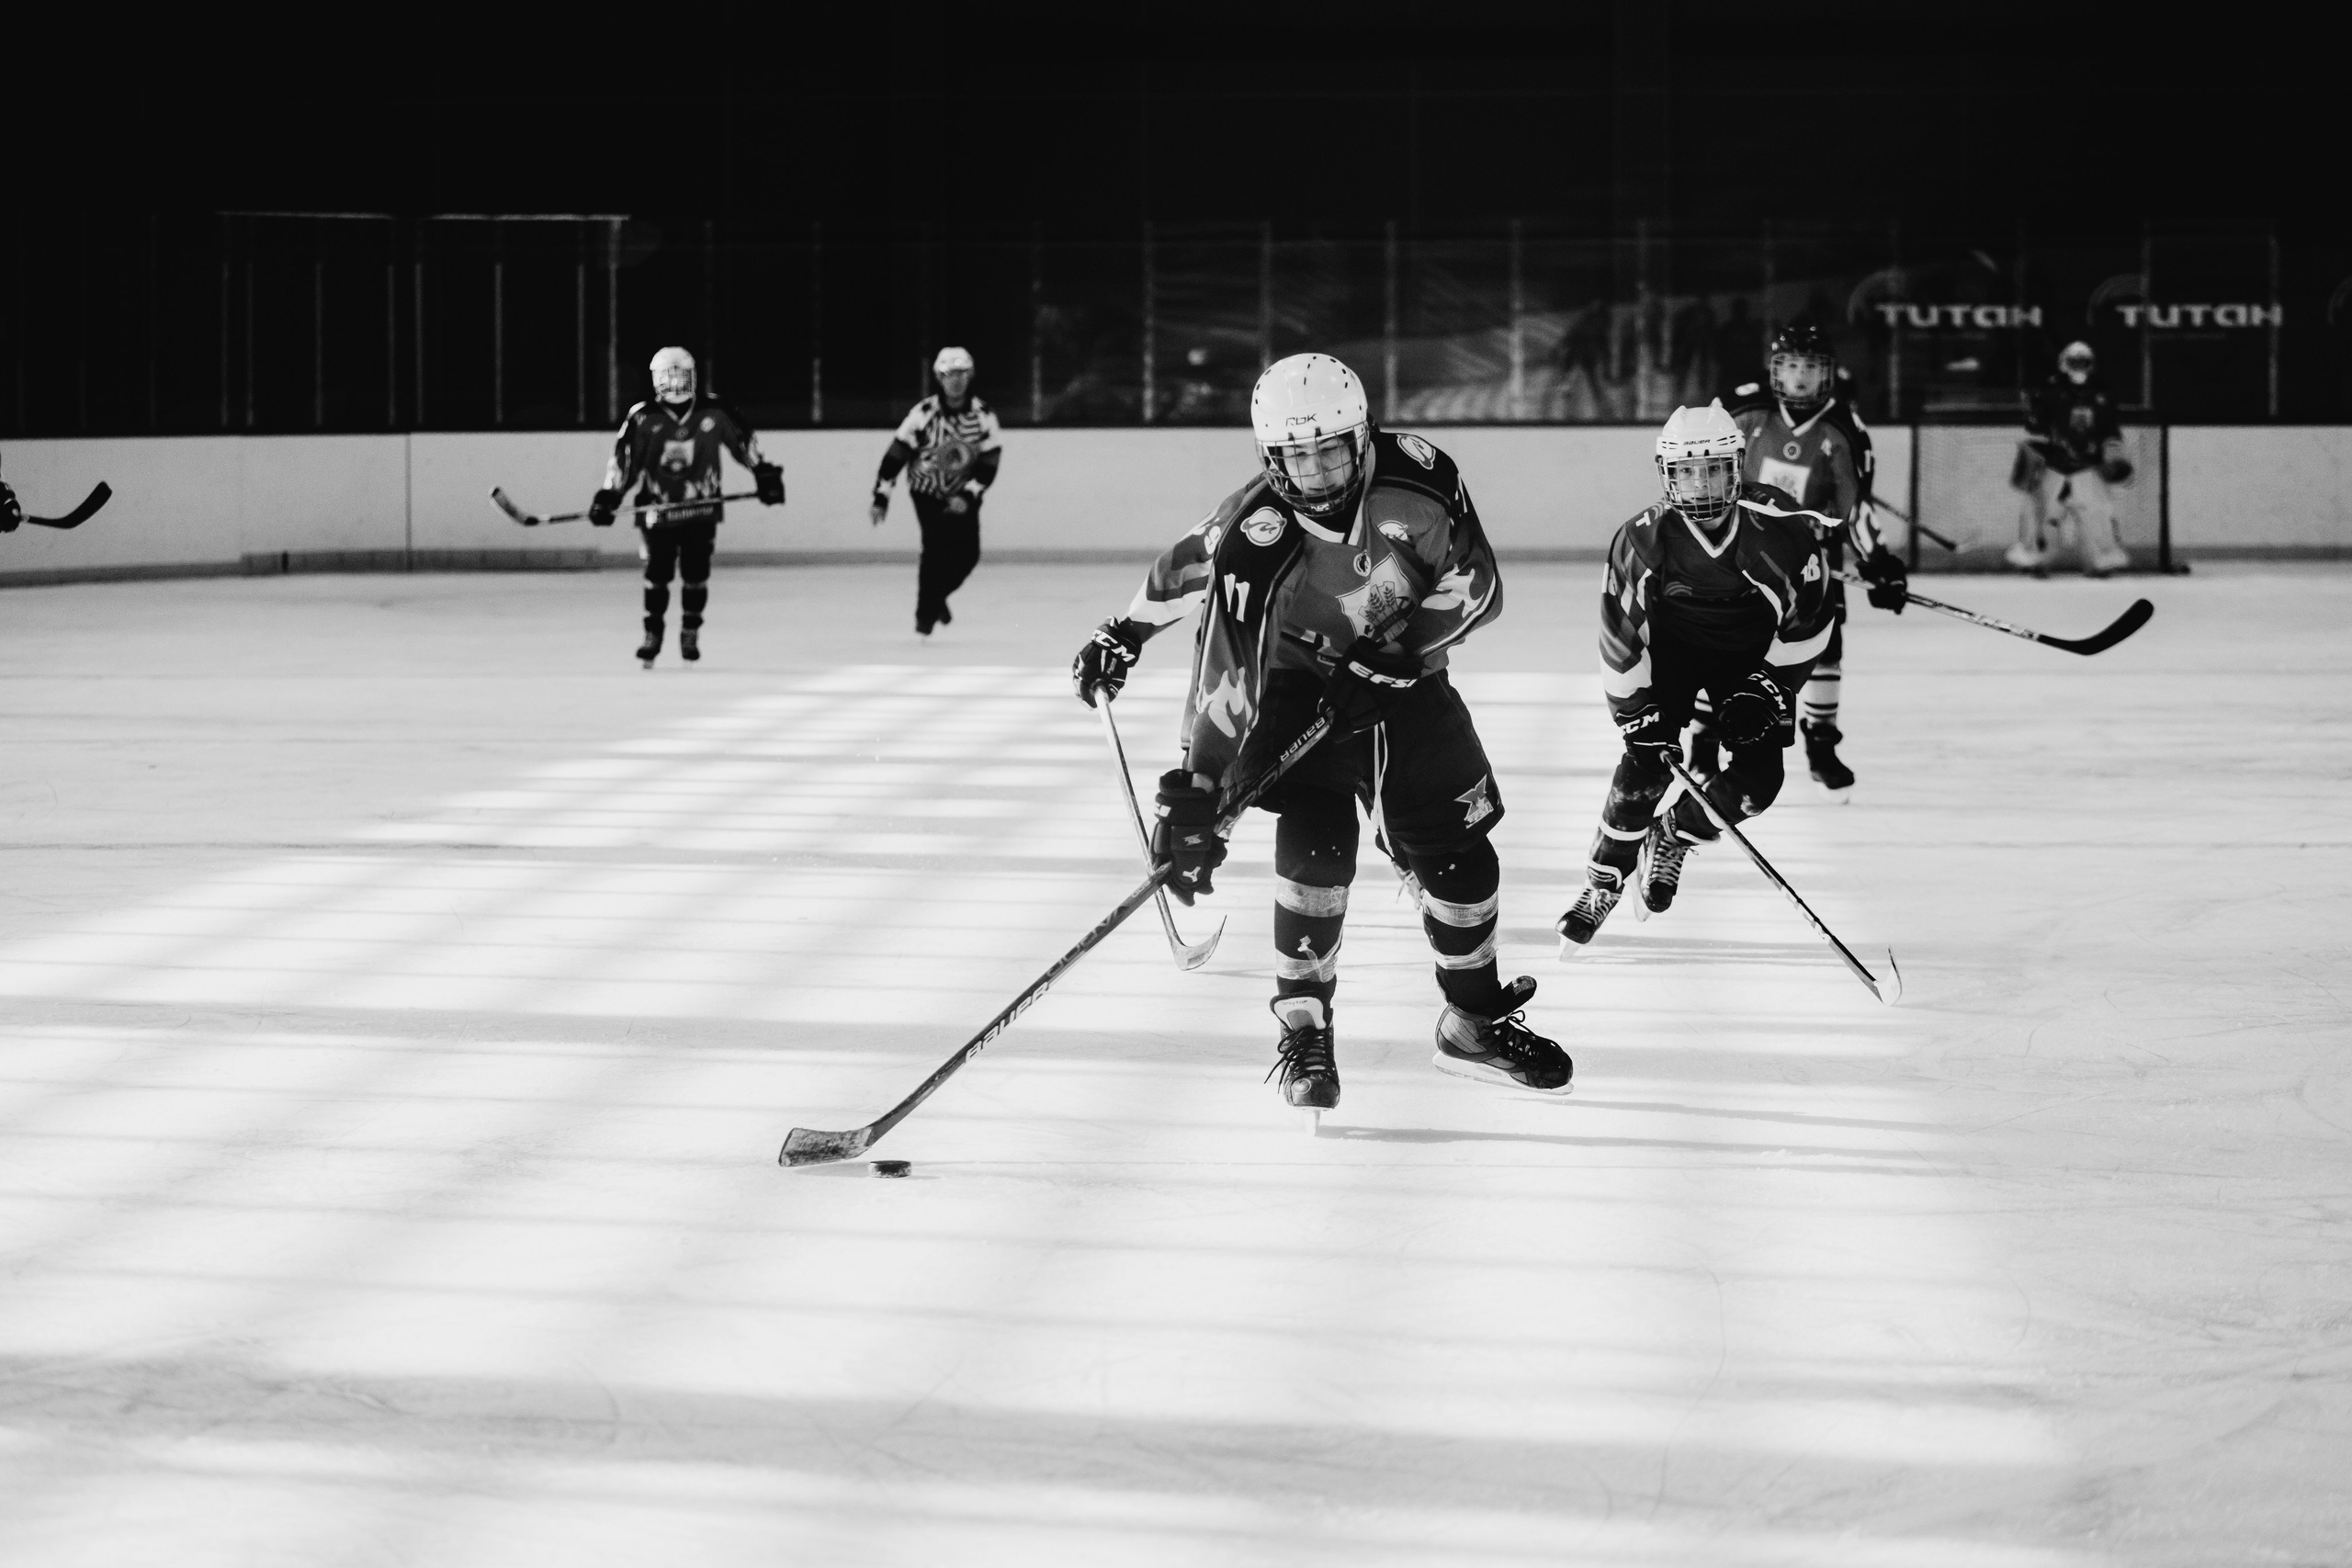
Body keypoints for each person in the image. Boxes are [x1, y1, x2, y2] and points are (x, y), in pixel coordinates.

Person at [1070, 352, 1572, 1119]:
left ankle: (1472, 1022)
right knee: (1318, 843)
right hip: (1296, 685)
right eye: (1293, 457)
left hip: (1405, 677)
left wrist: (1395, 656)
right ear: (1271, 457)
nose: (1314, 472)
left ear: (1362, 436)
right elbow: (1224, 659)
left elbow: (1479, 584)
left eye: (1329, 450)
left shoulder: (1424, 480)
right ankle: (1305, 1027)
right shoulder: (1254, 534)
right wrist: (1199, 786)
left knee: (1462, 859)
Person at [1557, 400, 1836, 949]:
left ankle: (1675, 833)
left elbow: (1811, 622)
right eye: (1687, 471)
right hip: (1673, 653)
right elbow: (1620, 634)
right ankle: (1604, 880)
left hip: (1750, 660)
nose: (1701, 485)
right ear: (1667, 475)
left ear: (1738, 468)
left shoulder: (1779, 530)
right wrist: (1636, 713)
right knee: (1645, 765)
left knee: (1759, 784)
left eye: (1713, 469)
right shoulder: (1642, 539)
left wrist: (1770, 688)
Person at [1724, 320, 1908, 797]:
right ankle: (1709, 741)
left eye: (1810, 367)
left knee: (1825, 648)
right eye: (1790, 366)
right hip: (1748, 557)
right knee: (1729, 645)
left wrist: (1878, 562)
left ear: (1826, 373)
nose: (1800, 377)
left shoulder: (1842, 428)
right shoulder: (1744, 416)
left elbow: (1853, 506)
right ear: (1774, 371)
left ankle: (1821, 744)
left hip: (1812, 562)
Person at [591, 346, 785, 668]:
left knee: (696, 574)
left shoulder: (715, 410)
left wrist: (764, 474)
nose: (676, 383)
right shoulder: (643, 416)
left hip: (701, 508)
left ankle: (690, 632)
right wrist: (609, 496)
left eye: (682, 375)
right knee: (657, 574)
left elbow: (744, 443)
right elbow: (625, 462)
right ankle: (652, 635)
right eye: (668, 375)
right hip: (657, 510)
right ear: (656, 380)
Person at [870, 347, 1003, 636]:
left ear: (970, 377)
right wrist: (881, 495)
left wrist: (968, 495)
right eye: (949, 375)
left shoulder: (983, 415)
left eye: (962, 374)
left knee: (968, 555)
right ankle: (925, 615)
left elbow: (990, 461)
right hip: (926, 490)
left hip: (964, 493)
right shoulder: (923, 414)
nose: (955, 381)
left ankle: (936, 597)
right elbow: (896, 454)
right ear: (939, 378)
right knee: (935, 548)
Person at [2008, 341, 2132, 578]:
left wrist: (2114, 453)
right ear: (2064, 363)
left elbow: (2110, 430)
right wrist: (2033, 417)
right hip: (2055, 464)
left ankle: (2100, 562)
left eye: (2083, 361)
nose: (2079, 366)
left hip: (2088, 465)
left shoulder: (2103, 393)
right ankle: (2037, 560)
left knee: (2097, 514)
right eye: (2074, 361)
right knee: (2044, 514)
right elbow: (2037, 426)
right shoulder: (2050, 391)